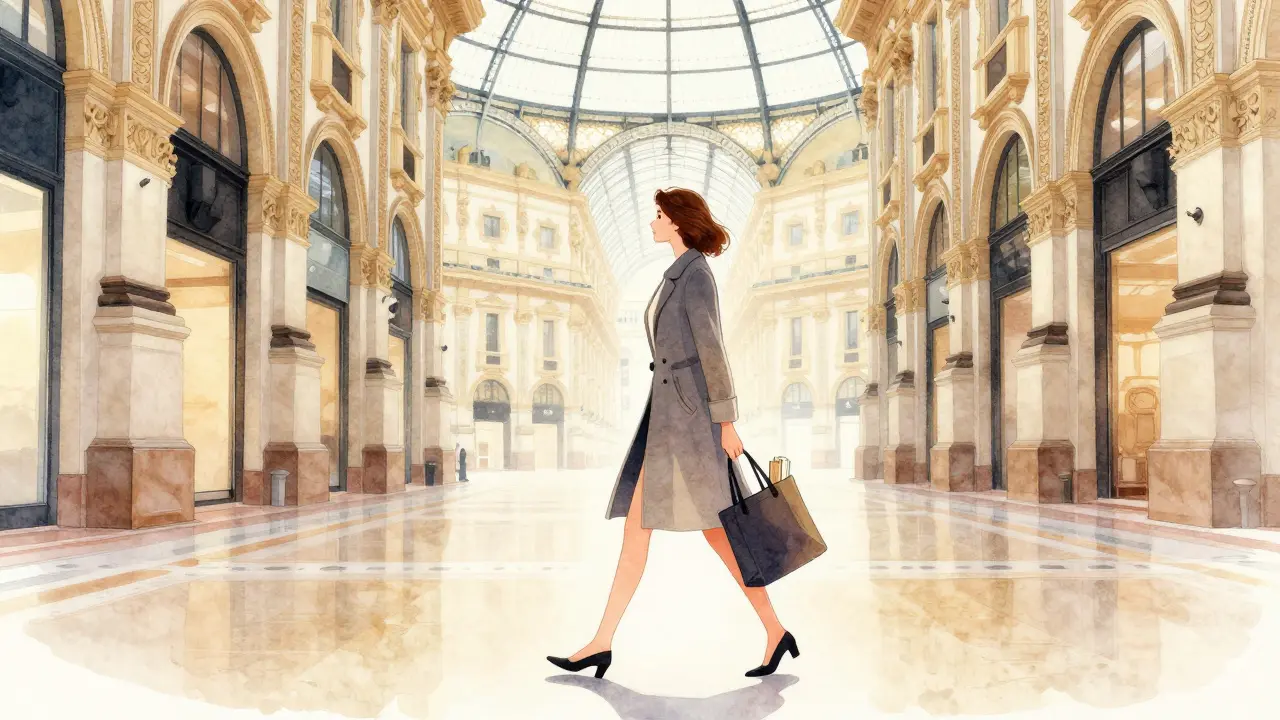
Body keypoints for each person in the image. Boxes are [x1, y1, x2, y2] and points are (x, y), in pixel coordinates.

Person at [547, 188, 795, 680]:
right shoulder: (678, 273)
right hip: (668, 423)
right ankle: (601, 641)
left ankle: (774, 631)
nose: (653, 223)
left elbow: (714, 351)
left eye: (659, 215)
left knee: (722, 533)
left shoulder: (696, 274)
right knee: (641, 532)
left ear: (679, 221)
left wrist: (725, 423)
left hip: (691, 425)